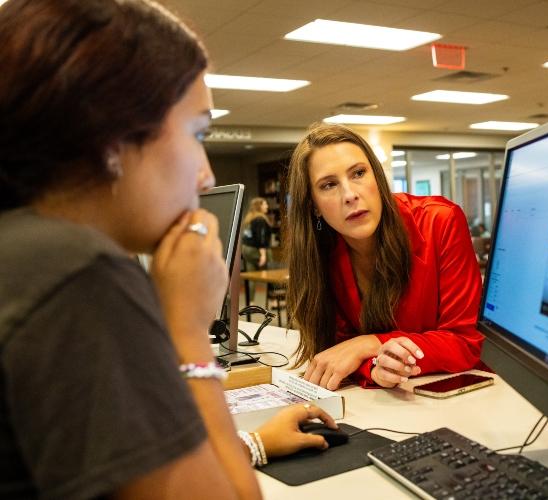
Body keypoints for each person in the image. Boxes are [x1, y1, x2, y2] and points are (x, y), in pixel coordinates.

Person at [0, 1, 335, 498]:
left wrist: (253, 445)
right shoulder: (80, 280)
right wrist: (189, 332)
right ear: (110, 138)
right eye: (198, 134)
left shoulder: (23, 251)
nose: (207, 175)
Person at [285, 123, 485, 391]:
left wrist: (369, 343)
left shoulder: (440, 220)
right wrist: (373, 367)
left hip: (462, 392)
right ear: (314, 206)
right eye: (329, 185)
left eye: (358, 173)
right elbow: (339, 351)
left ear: (377, 177)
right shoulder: (322, 254)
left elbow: (465, 342)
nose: (350, 195)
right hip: (391, 400)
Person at [241, 197, 273, 303]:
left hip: (246, 249)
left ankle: (251, 302)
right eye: (265, 204)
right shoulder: (260, 219)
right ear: (259, 206)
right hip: (255, 249)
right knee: (272, 271)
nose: (267, 206)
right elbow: (261, 237)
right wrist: (263, 254)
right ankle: (274, 300)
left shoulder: (249, 218)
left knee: (252, 276)